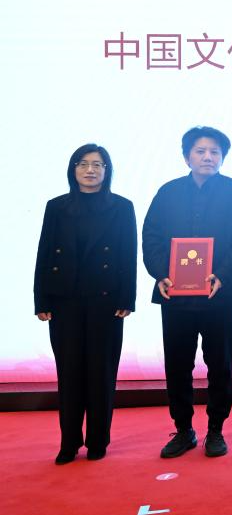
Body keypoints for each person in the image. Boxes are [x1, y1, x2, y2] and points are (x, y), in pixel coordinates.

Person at [142, 127, 232, 458]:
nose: (208, 157)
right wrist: (161, 274)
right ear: (186, 156)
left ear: (223, 157)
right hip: (175, 296)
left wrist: (223, 275)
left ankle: (216, 430)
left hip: (220, 294)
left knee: (220, 365)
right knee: (177, 366)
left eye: (214, 152)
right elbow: (151, 237)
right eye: (200, 151)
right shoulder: (168, 193)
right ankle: (183, 430)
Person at [34, 144, 137, 465]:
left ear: (107, 171)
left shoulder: (121, 207)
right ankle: (69, 442)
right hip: (64, 301)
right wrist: (41, 298)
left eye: (97, 164)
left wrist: (127, 297)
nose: (90, 170)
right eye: (82, 164)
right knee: (69, 373)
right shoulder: (56, 207)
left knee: (101, 372)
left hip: (107, 301)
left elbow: (128, 253)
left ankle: (97, 440)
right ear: (73, 170)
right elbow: (44, 253)